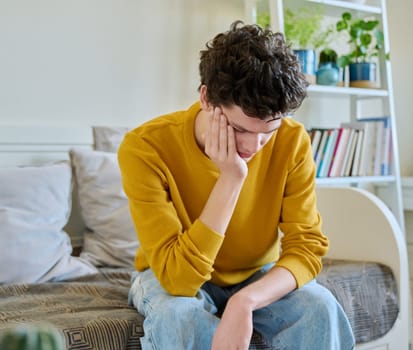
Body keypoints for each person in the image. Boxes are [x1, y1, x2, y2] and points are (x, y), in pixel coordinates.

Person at [118, 20, 355, 350]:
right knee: (178, 317)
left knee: (320, 308)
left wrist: (244, 302)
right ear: (206, 98)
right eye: (240, 129)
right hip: (170, 275)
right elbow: (178, 279)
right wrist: (231, 179)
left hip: (257, 273)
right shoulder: (145, 147)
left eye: (267, 132)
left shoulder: (292, 141)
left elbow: (306, 248)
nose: (254, 146)